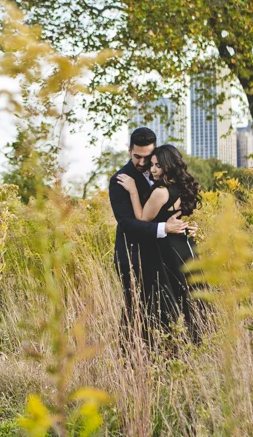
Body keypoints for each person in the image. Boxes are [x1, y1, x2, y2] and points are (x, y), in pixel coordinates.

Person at [109, 128, 190, 348]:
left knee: (164, 310)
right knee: (134, 312)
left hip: (162, 259)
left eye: (148, 157)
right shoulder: (120, 180)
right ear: (129, 151)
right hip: (132, 256)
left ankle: (165, 357)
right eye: (138, 157)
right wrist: (165, 228)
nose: (144, 163)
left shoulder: (163, 175)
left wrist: (184, 226)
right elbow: (127, 224)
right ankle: (131, 363)